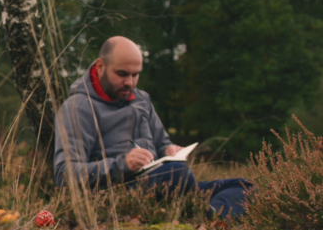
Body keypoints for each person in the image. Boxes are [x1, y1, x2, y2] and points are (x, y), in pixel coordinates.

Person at [53, 36, 250, 218]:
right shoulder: (77, 108)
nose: (129, 83)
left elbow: (162, 142)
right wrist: (123, 164)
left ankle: (211, 215)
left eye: (135, 75)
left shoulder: (142, 99)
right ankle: (203, 212)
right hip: (117, 192)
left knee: (244, 186)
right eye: (122, 74)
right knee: (176, 173)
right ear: (101, 66)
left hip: (163, 184)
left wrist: (169, 149)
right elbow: (64, 173)